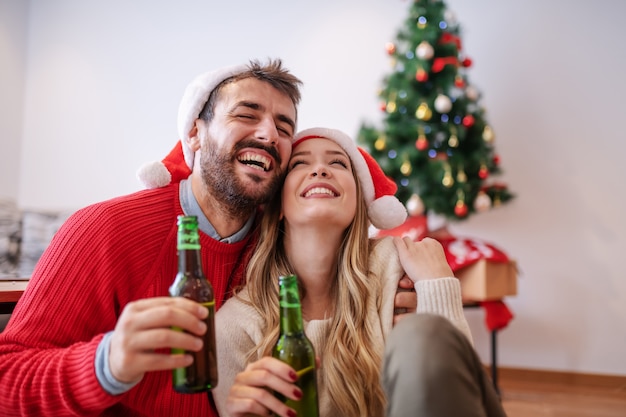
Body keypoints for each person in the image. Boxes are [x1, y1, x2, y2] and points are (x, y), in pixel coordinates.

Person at [0, 60, 417, 417]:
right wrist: (106, 364)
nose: (269, 134)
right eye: (247, 114)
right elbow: (7, 378)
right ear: (195, 133)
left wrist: (400, 290)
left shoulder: (282, 242)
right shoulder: (103, 230)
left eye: (284, 126)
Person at [213, 128, 505, 417]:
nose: (320, 171)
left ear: (359, 203)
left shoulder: (400, 264)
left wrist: (438, 285)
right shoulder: (233, 328)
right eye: (300, 163)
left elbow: (453, 388)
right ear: (277, 206)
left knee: (422, 334)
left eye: (337, 163)